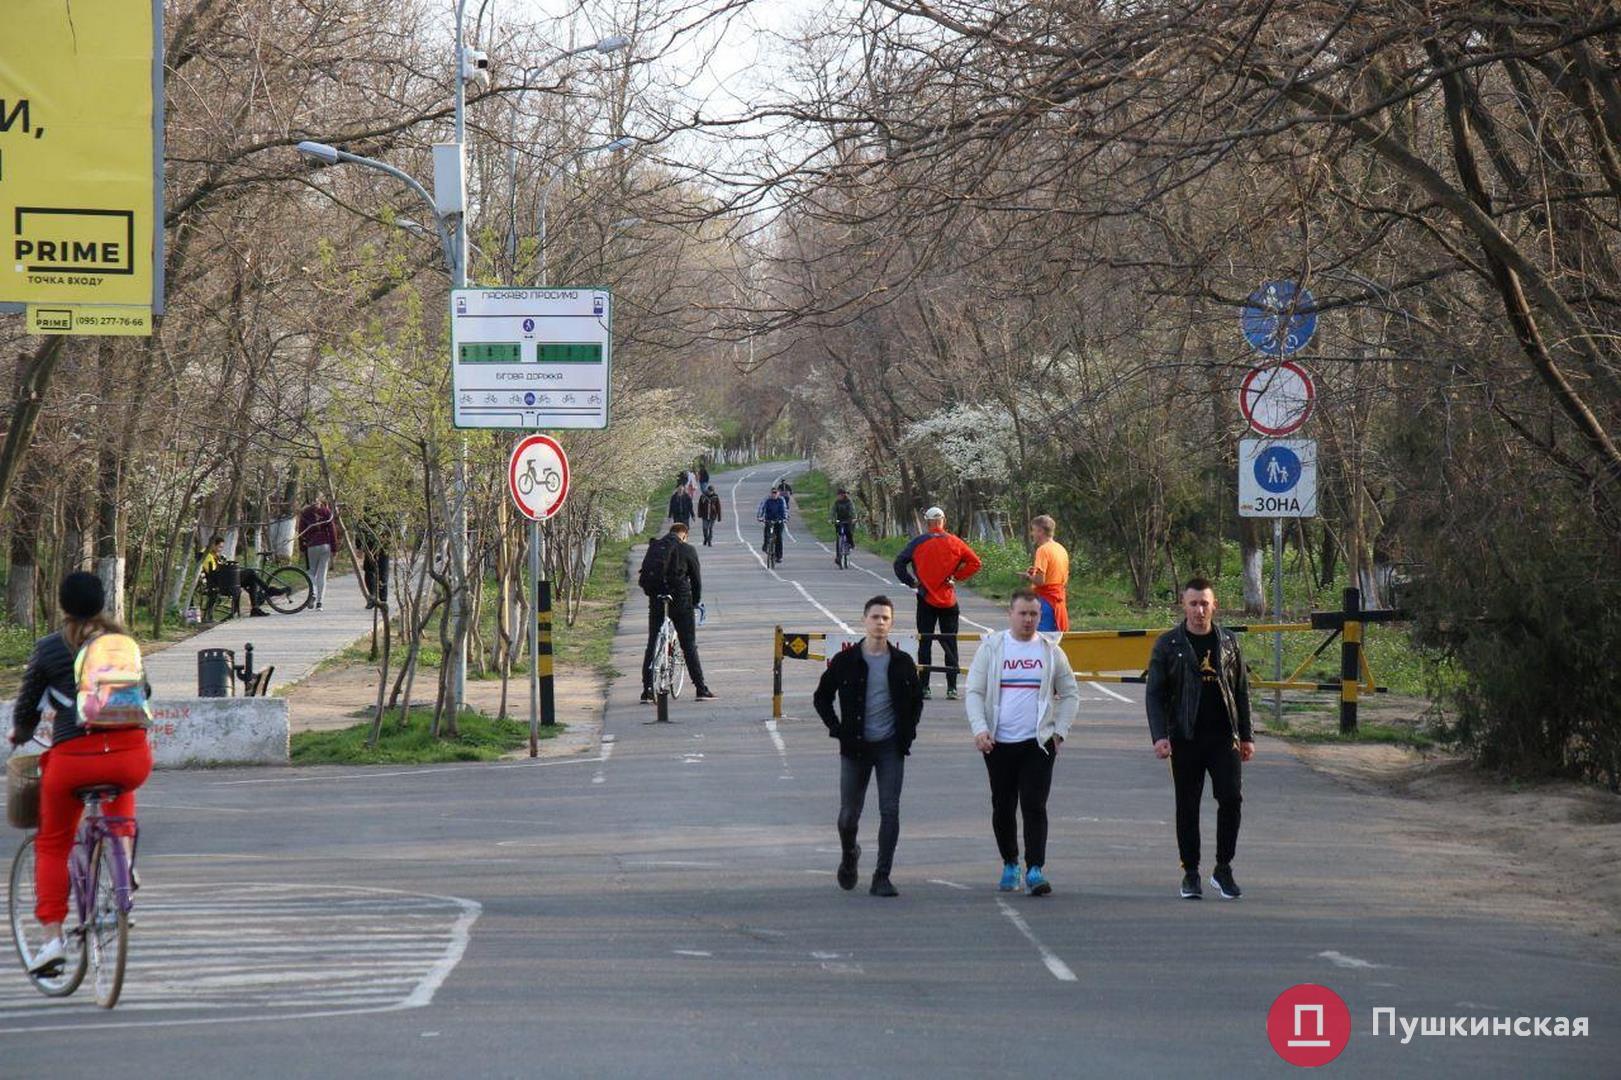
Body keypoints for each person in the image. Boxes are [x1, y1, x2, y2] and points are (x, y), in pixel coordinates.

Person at [8, 572, 154, 975]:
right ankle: (123, 865)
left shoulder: (49, 648)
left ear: (63, 604)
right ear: (102, 601)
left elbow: (27, 709)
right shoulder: (122, 642)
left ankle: (52, 941)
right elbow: (145, 693)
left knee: (53, 843)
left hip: (73, 760)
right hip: (130, 757)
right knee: (119, 792)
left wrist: (19, 734)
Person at [965, 588, 1081, 896]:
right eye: (1023, 613)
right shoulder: (992, 648)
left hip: (1038, 743)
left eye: (1034, 614)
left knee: (1034, 805)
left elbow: (1071, 693)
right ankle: (1010, 863)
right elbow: (974, 691)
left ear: (1040, 617)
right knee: (1003, 806)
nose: (1028, 620)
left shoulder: (1051, 651)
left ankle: (1035, 869)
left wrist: (1059, 731)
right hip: (998, 742)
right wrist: (980, 729)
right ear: (1010, 615)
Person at [1146, 577, 1255, 901]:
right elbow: (1155, 695)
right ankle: (1190, 872)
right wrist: (1160, 736)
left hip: (1224, 737)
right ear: (1183, 604)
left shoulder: (1229, 642)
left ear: (1214, 605)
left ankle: (1223, 868)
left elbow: (1241, 691)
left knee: (1231, 799)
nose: (1199, 610)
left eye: (1204, 603)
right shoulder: (1168, 644)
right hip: (1186, 737)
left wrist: (1246, 735)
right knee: (1187, 805)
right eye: (1193, 604)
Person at [813, 595, 925, 898]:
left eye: (885, 618)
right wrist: (837, 729)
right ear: (864, 620)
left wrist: (908, 732)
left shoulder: (902, 663)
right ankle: (850, 853)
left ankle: (882, 875)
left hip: (890, 747)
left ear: (892, 623)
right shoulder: (846, 661)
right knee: (849, 815)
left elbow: (916, 700)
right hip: (855, 747)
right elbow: (821, 697)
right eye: (875, 617)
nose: (880, 623)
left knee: (890, 810)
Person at [892, 506, 982, 700]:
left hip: (925, 598)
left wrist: (911, 582)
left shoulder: (918, 542)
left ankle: (925, 687)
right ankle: (952, 688)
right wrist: (957, 577)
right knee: (950, 642)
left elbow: (899, 563)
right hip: (948, 600)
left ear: (927, 522)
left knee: (925, 642)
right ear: (944, 521)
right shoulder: (955, 542)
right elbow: (975, 563)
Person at [639, 523, 715, 703]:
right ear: (685, 535)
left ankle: (647, 690)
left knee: (653, 642)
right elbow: (696, 581)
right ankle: (700, 689)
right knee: (689, 645)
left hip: (657, 599)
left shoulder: (655, 547)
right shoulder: (688, 549)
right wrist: (695, 601)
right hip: (680, 600)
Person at [199, 534, 277, 617]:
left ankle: (255, 608)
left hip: (224, 578)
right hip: (220, 581)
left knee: (252, 580)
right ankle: (268, 590)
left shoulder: (213, 553)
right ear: (213, 544)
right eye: (220, 547)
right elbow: (213, 571)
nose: (221, 549)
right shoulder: (206, 554)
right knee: (251, 572)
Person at [1021, 515, 1070, 633]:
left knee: (1042, 637)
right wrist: (1034, 572)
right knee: (1054, 637)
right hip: (1058, 599)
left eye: (1033, 530)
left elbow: (1040, 581)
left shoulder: (1043, 550)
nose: (1032, 534)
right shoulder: (1061, 549)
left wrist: (1028, 577)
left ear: (1040, 531)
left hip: (1045, 600)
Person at [297, 495, 341, 610]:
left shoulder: (305, 513)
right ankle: (319, 603)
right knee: (322, 574)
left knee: (310, 572)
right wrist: (334, 548)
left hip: (312, 545)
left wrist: (302, 548)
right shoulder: (326, 512)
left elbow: (301, 532)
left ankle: (313, 593)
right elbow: (332, 531)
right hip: (325, 545)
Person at [756, 485, 789, 560]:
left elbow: (785, 509)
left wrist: (785, 518)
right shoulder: (766, 499)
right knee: (767, 533)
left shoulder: (781, 500)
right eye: (773, 493)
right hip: (769, 519)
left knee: (779, 537)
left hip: (779, 520)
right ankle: (766, 546)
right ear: (770, 493)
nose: (774, 494)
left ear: (778, 493)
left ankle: (779, 556)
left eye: (775, 493)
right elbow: (761, 508)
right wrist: (760, 517)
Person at [832, 487, 857, 564]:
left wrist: (854, 518)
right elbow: (833, 511)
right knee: (838, 536)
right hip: (839, 520)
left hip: (848, 519)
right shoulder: (836, 502)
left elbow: (852, 510)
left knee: (848, 532)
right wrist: (831, 518)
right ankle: (838, 556)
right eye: (838, 495)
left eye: (840, 495)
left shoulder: (849, 502)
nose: (839, 496)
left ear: (843, 495)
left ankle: (851, 544)